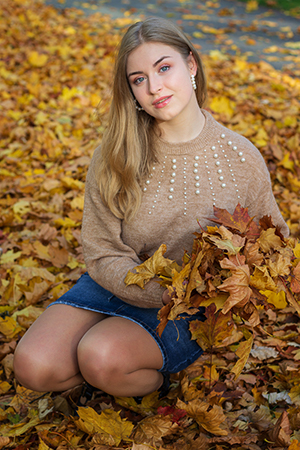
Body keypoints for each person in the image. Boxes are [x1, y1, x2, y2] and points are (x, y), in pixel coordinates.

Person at [13, 17, 289, 400]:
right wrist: (154, 289)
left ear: (190, 65)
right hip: (115, 284)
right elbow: (101, 250)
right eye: (139, 79)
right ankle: (110, 371)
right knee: (33, 366)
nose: (155, 87)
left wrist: (222, 293)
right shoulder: (115, 154)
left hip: (186, 308)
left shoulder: (240, 156)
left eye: (164, 68)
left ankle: (151, 379)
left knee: (101, 355)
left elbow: (274, 243)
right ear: (131, 90)